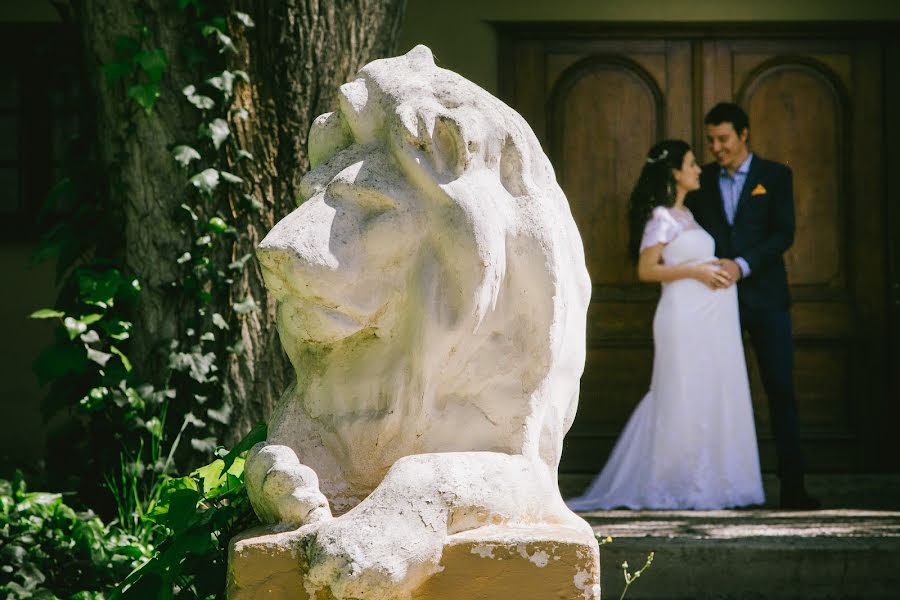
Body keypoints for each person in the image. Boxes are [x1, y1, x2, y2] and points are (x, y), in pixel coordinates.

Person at [567, 140, 765, 511]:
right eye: (691, 164)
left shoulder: (688, 216)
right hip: (683, 319)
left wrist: (715, 265)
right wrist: (695, 271)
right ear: (675, 172)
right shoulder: (661, 217)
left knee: (708, 392)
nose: (698, 169)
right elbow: (647, 270)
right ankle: (673, 480)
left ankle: (712, 481)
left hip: (711, 321)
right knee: (681, 392)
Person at [685, 102, 819, 510]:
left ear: (744, 134)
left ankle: (793, 487)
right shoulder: (702, 180)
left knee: (780, 390)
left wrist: (742, 266)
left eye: (723, 139)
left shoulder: (775, 176)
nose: (716, 147)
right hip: (714, 304)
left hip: (766, 302)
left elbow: (783, 233)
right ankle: (715, 487)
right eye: (710, 140)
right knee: (715, 393)